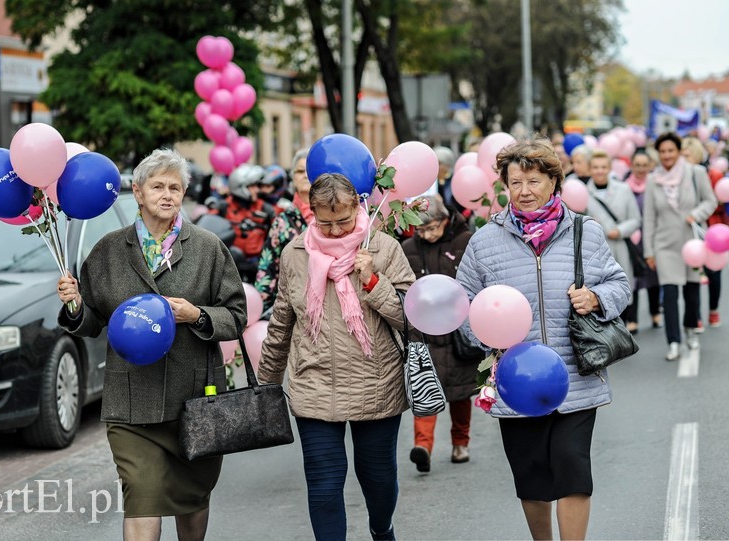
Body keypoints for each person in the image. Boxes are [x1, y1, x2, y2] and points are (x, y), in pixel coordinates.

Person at [56, 148, 247, 541]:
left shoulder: (208, 247)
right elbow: (91, 321)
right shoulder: (109, 250)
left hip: (195, 400)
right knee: (142, 497)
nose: (167, 194)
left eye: (175, 187)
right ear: (137, 192)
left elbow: (237, 315)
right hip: (131, 404)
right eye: (157, 186)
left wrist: (196, 315)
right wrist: (75, 305)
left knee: (192, 497)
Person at [456, 137, 631, 541]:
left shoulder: (585, 232)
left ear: (554, 181)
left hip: (575, 375)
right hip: (516, 379)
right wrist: (486, 337)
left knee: (573, 470)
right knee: (532, 478)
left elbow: (619, 285)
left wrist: (596, 298)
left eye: (533, 180)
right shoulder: (485, 240)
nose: (524, 191)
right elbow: (464, 303)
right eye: (515, 182)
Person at [258, 173, 415, 541]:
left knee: (378, 479)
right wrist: (266, 382)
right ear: (311, 212)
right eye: (324, 222)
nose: (333, 230)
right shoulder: (295, 254)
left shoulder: (384, 248)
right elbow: (281, 322)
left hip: (375, 382)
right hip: (314, 384)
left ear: (358, 208)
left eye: (342, 221)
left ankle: (382, 528)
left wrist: (374, 282)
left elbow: (412, 319)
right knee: (324, 484)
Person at [400, 196, 480, 473]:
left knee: (460, 392)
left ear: (445, 220)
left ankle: (461, 443)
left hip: (458, 330)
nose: (426, 234)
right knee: (425, 388)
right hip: (424, 330)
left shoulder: (465, 241)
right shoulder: (408, 247)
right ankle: (423, 446)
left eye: (430, 228)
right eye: (420, 230)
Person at [643, 132, 717, 361]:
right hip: (665, 245)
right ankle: (673, 342)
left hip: (693, 244)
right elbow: (649, 218)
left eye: (670, 151)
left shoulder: (695, 173)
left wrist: (697, 214)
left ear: (677, 151)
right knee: (670, 295)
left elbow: (711, 200)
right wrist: (649, 251)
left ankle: (690, 331)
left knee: (692, 292)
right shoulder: (653, 179)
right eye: (662, 151)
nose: (667, 155)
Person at [585, 149, 642, 325]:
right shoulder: (583, 193)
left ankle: (624, 326)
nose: (599, 171)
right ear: (590, 169)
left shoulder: (624, 189)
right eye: (595, 167)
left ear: (610, 168)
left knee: (622, 287)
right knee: (598, 291)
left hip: (619, 248)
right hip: (594, 251)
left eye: (603, 167)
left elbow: (635, 219)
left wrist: (620, 230)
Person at [254, 149, 311, 313]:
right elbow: (268, 265)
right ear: (293, 177)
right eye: (300, 171)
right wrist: (261, 309)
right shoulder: (282, 221)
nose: (305, 175)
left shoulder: (330, 218)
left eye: (308, 170)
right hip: (291, 307)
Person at [682, 136, 725, 329]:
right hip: (688, 230)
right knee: (693, 273)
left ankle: (713, 310)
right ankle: (695, 315)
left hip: (712, 229)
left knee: (713, 272)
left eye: (687, 155)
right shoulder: (678, 177)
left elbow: (718, 201)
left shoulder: (713, 174)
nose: (683, 158)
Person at [207, 163, 275, 281]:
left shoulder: (266, 209)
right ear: (240, 186)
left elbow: (275, 238)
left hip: (257, 266)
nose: (257, 190)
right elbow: (206, 231)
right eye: (252, 186)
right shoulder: (223, 207)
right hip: (229, 265)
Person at [623, 149, 663, 332]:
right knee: (634, 278)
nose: (640, 168)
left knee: (653, 276)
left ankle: (656, 312)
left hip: (652, 237)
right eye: (637, 165)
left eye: (644, 165)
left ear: (650, 166)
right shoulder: (624, 187)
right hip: (632, 240)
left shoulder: (656, 185)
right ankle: (633, 319)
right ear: (631, 166)